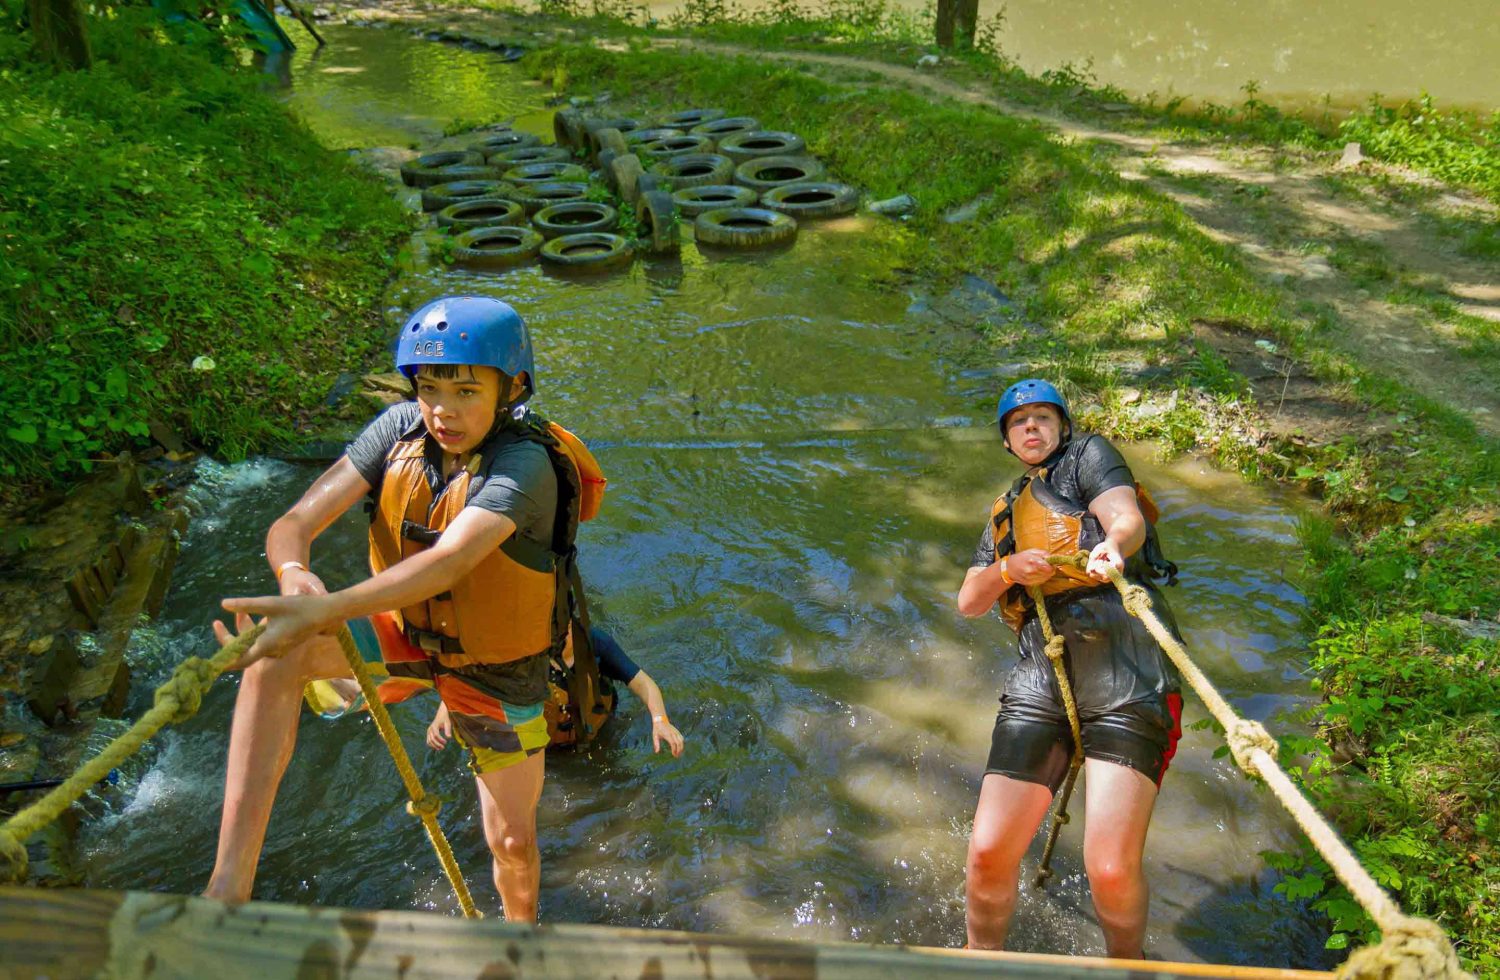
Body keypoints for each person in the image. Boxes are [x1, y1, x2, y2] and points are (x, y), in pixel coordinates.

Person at [205, 295, 595, 923]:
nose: (443, 410)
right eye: (430, 388)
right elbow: (296, 520)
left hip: (497, 666)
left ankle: (520, 937)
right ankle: (227, 889)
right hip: (406, 639)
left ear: (511, 387)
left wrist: (328, 605)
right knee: (276, 653)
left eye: (466, 390)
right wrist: (296, 576)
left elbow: (450, 561)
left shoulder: (525, 463)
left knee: (513, 842)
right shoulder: (397, 431)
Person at [956, 379, 1182, 958]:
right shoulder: (1005, 512)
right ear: (1007, 440)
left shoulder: (1088, 457)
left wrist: (1114, 546)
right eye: (1018, 421)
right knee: (986, 853)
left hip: (1124, 660)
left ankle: (1126, 967)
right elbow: (969, 601)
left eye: (1042, 418)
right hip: (1043, 666)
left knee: (1108, 868)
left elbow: (1123, 515)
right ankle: (981, 966)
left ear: (1061, 427)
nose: (1030, 427)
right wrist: (1009, 571)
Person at [428, 624, 685, 758]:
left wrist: (660, 721)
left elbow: (644, 683)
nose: (561, 638)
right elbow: (475, 677)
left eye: (566, 629)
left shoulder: (595, 642)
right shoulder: (524, 652)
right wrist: (445, 710)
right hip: (546, 750)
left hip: (600, 731)